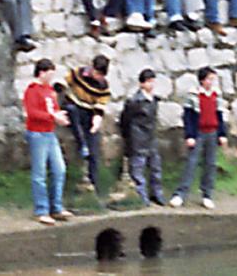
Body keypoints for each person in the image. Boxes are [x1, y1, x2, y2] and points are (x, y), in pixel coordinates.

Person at [170, 66, 228, 210]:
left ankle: (207, 194)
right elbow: (188, 117)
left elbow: (219, 116)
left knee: (210, 164)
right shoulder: (193, 96)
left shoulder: (216, 95)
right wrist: (190, 135)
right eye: (209, 79)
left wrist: (222, 134)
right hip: (198, 133)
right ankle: (180, 194)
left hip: (212, 132)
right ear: (202, 80)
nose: (212, 82)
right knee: (192, 163)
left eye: (213, 79)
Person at [24, 58, 73, 226]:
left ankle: (56, 207)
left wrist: (60, 117)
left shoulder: (49, 90)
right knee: (39, 174)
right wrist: (53, 116)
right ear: (42, 72)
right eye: (49, 74)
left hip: (50, 133)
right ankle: (41, 210)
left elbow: (53, 108)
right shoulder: (32, 91)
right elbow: (32, 113)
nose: (51, 78)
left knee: (59, 169)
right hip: (37, 134)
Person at [62, 56, 111, 194]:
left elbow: (100, 105)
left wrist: (96, 121)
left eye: (100, 75)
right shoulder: (78, 73)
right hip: (73, 108)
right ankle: (81, 143)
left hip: (89, 113)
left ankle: (93, 186)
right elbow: (64, 82)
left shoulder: (103, 85)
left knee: (94, 151)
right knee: (72, 111)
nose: (97, 77)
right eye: (96, 73)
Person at [120, 68, 165, 206]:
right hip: (138, 139)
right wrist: (130, 136)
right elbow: (125, 120)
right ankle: (142, 196)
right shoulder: (135, 101)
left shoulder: (153, 100)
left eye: (153, 81)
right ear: (141, 83)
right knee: (138, 170)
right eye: (148, 82)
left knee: (155, 169)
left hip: (151, 138)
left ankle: (157, 194)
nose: (151, 85)